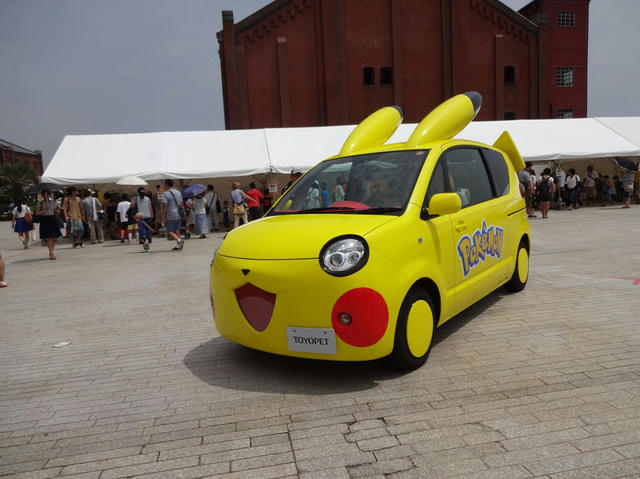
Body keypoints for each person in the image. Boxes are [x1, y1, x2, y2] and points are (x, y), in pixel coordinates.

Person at [36, 189, 61, 260]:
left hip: (52, 219)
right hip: (45, 220)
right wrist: (44, 210)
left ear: (49, 195)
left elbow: (56, 213)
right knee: (49, 237)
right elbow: (37, 213)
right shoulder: (40, 203)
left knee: (53, 237)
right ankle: (51, 253)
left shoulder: (53, 202)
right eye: (44, 194)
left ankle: (52, 251)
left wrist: (57, 212)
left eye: (47, 194)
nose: (46, 196)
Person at [161, 179, 185, 250]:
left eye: (164, 185)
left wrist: (163, 217)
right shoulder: (178, 192)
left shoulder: (166, 194)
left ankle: (179, 240)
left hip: (170, 215)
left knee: (170, 231)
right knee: (176, 230)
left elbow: (164, 207)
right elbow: (181, 204)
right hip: (178, 214)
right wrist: (183, 214)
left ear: (166, 185)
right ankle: (178, 245)